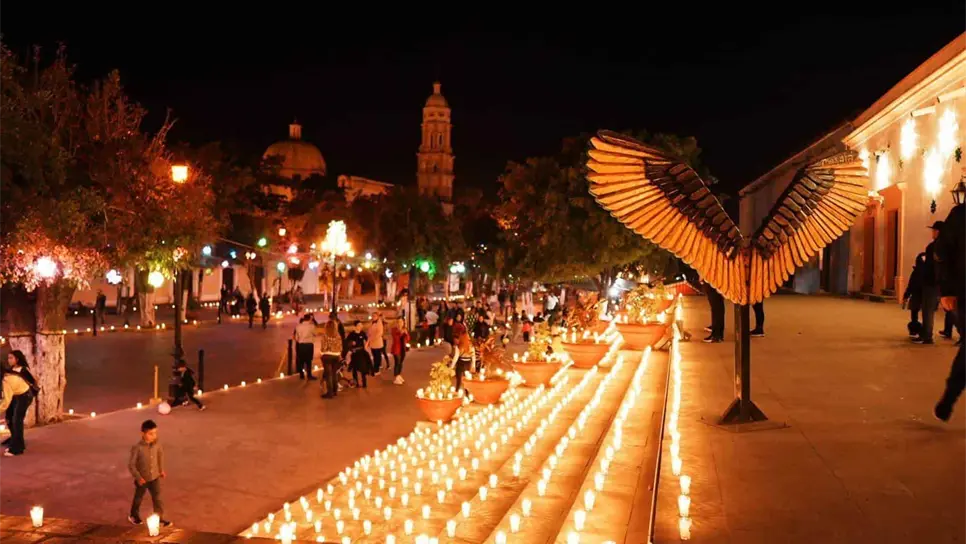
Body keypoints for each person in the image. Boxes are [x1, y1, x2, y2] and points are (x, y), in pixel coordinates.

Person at [935, 203, 966, 421]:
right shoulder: (961, 215)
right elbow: (941, 252)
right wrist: (947, 290)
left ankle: (949, 397)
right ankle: (950, 396)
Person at [128, 420, 171, 527]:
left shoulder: (157, 445)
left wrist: (161, 470)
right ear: (143, 434)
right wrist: (138, 477)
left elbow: (160, 457)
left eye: (155, 433)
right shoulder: (137, 448)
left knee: (157, 498)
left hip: (155, 477)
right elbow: (131, 465)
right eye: (150, 434)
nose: (153, 436)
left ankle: (159, 518)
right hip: (143, 479)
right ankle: (133, 515)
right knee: (138, 497)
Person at [1, 350, 37, 456]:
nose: (9, 360)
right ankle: (15, 440)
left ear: (17, 359)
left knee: (17, 420)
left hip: (24, 395)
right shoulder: (9, 371)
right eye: (8, 358)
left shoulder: (22, 370)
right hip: (15, 395)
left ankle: (17, 448)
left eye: (11, 358)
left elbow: (33, 381)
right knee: (9, 417)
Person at [914, 222, 943, 345]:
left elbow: (931, 265)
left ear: (938, 232)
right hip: (940, 282)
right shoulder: (947, 246)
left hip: (931, 282)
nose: (932, 233)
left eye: (934, 230)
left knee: (927, 309)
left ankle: (927, 335)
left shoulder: (934, 246)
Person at [903, 252, 927, 338]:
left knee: (915, 313)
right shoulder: (929, 272)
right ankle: (925, 332)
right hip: (926, 295)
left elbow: (911, 285)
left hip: (917, 295)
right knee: (926, 314)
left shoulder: (916, 272)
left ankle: (914, 330)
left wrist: (906, 296)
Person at [319, 319, 344, 398]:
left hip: (327, 356)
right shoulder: (338, 335)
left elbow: (323, 347)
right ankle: (335, 391)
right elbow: (340, 347)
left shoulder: (325, 335)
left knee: (328, 375)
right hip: (336, 356)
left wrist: (322, 353)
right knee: (334, 373)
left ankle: (330, 393)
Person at [345, 321, 370, 388]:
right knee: (355, 368)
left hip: (361, 352)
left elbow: (368, 340)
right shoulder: (352, 334)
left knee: (363, 368)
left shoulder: (362, 333)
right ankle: (356, 383)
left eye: (361, 325)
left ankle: (364, 383)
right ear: (355, 326)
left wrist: (366, 346)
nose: (360, 326)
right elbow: (346, 342)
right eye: (359, 325)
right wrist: (351, 342)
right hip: (354, 352)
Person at [293, 314, 317, 380]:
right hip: (309, 345)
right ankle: (309, 375)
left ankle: (301, 375)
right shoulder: (311, 326)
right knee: (309, 360)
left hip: (301, 345)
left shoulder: (298, 326)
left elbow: (296, 337)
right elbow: (315, 334)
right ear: (309, 319)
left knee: (301, 360)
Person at [390, 318, 410, 385]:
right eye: (398, 322)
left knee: (401, 363)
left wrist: (406, 334)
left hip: (403, 349)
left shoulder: (404, 329)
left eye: (401, 321)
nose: (400, 323)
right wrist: (401, 333)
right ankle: (396, 377)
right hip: (396, 349)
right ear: (396, 323)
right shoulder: (394, 330)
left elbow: (408, 339)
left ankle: (399, 375)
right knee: (397, 363)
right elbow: (395, 338)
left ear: (403, 322)